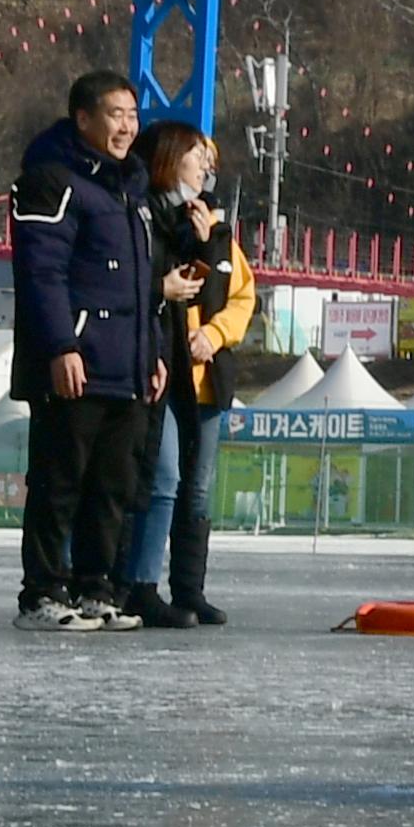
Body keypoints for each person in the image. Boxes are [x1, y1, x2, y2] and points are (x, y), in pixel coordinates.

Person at [10, 71, 170, 631]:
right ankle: (43, 594)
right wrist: (60, 345)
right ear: (83, 119)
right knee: (59, 483)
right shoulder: (52, 181)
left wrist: (151, 354)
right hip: (74, 363)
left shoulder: (132, 190)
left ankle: (95, 587)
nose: (127, 126)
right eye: (115, 114)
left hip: (126, 366)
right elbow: (41, 273)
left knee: (110, 487)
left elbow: (142, 287)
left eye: (132, 115)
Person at [118, 120, 255, 629]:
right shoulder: (151, 220)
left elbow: (241, 297)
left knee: (196, 488)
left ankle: (188, 589)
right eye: (198, 157)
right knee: (165, 480)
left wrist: (215, 335)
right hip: (166, 373)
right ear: (170, 159)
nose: (206, 168)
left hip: (208, 380)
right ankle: (142, 584)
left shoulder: (217, 231)